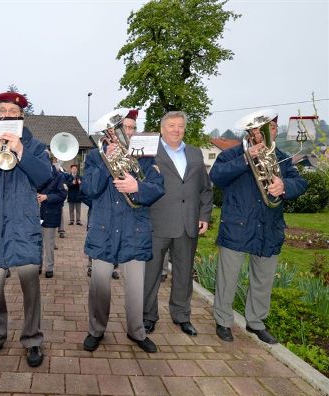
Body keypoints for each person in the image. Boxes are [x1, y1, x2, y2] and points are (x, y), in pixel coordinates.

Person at [0, 92, 52, 368]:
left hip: (23, 224)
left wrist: (21, 151)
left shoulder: (35, 146)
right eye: (2, 110)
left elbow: (44, 176)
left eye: (12, 111)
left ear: (21, 116)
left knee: (30, 286)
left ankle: (32, 339)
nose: (6, 115)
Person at [210, 111, 306, 344]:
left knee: (263, 280)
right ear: (250, 132)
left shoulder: (281, 157)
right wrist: (246, 159)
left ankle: (256, 322)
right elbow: (217, 176)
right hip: (237, 226)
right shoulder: (231, 154)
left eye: (271, 128)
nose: (265, 133)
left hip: (268, 227)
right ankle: (223, 321)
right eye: (260, 129)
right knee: (227, 278)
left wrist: (284, 185)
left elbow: (300, 183)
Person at [82, 108, 164, 354]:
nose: (126, 132)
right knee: (99, 286)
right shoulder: (95, 157)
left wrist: (137, 186)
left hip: (134, 230)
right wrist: (106, 161)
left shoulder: (146, 157)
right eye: (122, 128)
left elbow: (158, 189)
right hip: (104, 229)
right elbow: (89, 190)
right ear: (109, 133)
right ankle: (96, 330)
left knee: (136, 288)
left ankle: (136, 331)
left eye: (130, 128)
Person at [143, 111, 213, 336]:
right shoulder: (149, 152)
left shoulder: (194, 153)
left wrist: (204, 216)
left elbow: (205, 189)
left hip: (187, 223)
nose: (176, 129)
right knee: (150, 274)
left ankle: (182, 315)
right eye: (171, 125)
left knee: (184, 274)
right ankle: (147, 316)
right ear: (162, 129)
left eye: (180, 126)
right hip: (157, 222)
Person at [38, 152, 68, 278]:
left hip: (50, 213)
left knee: (48, 243)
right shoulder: (35, 173)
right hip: (35, 214)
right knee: (36, 242)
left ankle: (49, 268)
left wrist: (47, 197)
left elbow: (62, 195)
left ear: (50, 161)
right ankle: (38, 265)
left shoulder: (59, 176)